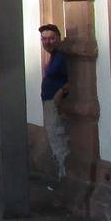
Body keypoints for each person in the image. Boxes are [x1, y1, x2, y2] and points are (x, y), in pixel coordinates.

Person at [39, 24, 70, 180]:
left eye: (51, 38)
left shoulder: (61, 57)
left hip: (55, 104)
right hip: (49, 102)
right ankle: (61, 172)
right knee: (54, 136)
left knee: (58, 137)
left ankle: (65, 176)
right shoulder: (54, 56)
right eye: (44, 39)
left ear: (58, 38)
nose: (47, 42)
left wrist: (61, 91)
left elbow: (72, 78)